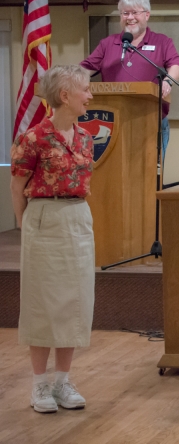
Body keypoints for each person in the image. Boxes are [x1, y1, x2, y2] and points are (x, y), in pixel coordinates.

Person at [10, 65, 95, 413]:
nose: (89, 96)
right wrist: (25, 226)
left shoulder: (87, 136)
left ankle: (62, 381)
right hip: (44, 218)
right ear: (65, 96)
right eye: (85, 90)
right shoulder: (33, 139)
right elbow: (17, 186)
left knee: (74, 301)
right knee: (42, 303)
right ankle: (39, 386)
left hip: (78, 216)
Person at [80, 0, 179, 159]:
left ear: (147, 15)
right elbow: (85, 68)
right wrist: (68, 79)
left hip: (151, 120)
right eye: (125, 13)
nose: (130, 17)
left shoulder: (162, 41)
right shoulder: (108, 43)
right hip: (112, 122)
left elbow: (176, 67)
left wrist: (168, 81)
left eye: (135, 12)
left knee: (149, 179)